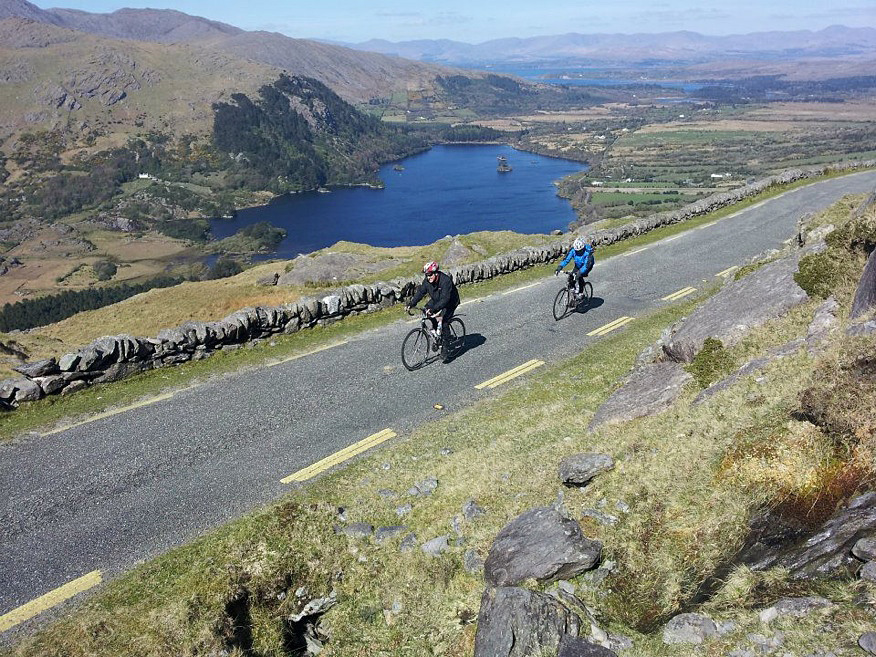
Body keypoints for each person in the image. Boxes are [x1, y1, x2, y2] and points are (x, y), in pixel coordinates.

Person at [406, 261, 460, 363]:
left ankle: (446, 347)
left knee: (444, 322)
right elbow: (420, 292)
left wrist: (435, 309)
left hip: (450, 302)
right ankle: (438, 336)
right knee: (428, 312)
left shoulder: (445, 281)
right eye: (426, 275)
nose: (428, 277)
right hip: (437, 299)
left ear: (436, 273)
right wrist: (411, 304)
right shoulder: (427, 281)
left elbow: (445, 299)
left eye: (430, 275)